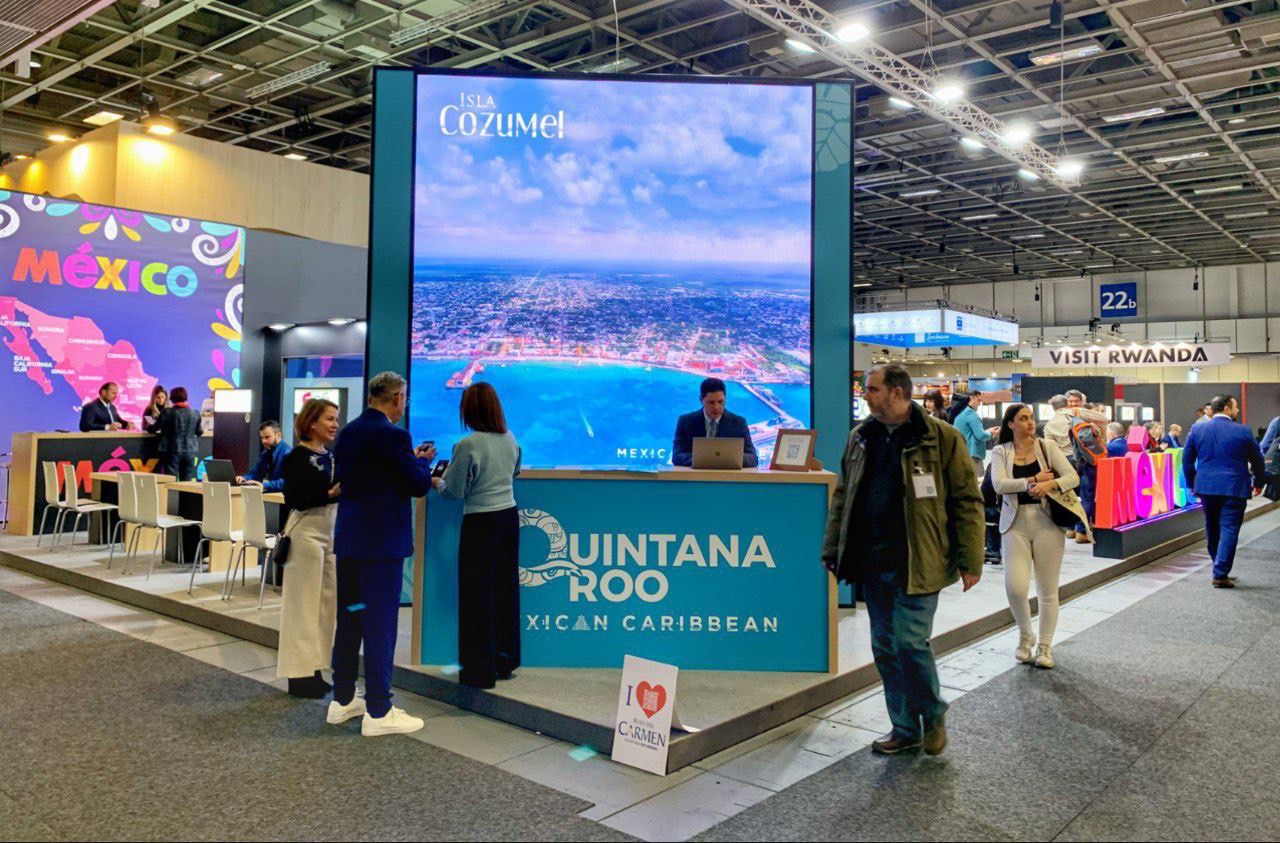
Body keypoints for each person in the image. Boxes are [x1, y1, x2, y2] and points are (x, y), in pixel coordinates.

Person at [822, 365, 984, 757]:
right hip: (873, 562)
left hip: (921, 560)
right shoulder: (860, 439)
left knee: (910, 642)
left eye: (872, 389)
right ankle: (905, 727)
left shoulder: (941, 438)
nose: (865, 394)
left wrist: (971, 559)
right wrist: (832, 549)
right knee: (885, 647)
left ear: (897, 393)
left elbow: (967, 500)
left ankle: (932, 712)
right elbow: (842, 497)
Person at [328, 371, 435, 737]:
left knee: (351, 620)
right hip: (382, 546)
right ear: (396, 397)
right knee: (381, 625)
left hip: (351, 541)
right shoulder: (394, 436)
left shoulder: (347, 433)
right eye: (404, 398)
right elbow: (417, 485)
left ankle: (341, 700)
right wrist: (422, 461)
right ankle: (379, 709)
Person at [433, 383, 522, 689]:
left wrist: (436, 482)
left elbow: (454, 491)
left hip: (481, 523)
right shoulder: (511, 439)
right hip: (509, 518)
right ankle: (505, 661)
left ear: (469, 411)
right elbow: (515, 472)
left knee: (476, 598)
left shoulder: (466, 445)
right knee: (504, 590)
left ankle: (478, 671)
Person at [990, 404, 1087, 670]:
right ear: (1011, 424)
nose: (1030, 423)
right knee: (1015, 587)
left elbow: (1072, 477)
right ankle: (1025, 635)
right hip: (1014, 523)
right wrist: (1032, 480)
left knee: (1047, 589)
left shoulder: (1047, 447)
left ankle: (1045, 646)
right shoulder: (1001, 451)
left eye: (1031, 418)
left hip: (1047, 522)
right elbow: (999, 484)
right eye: (1023, 419)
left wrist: (1050, 484)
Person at [277, 399, 340, 699]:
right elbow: (296, 497)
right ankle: (298, 674)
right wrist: (330, 493)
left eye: (336, 419)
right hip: (305, 534)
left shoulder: (332, 456)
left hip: (329, 535)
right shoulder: (296, 457)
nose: (334, 424)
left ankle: (315, 667)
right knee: (302, 607)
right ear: (312, 422)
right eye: (329, 418)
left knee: (324, 606)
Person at [1182, 394, 1266, 589]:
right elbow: (1257, 460)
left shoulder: (1197, 429)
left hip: (1207, 487)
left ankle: (1218, 564)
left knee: (1212, 527)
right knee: (1229, 528)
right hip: (1234, 487)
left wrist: (1192, 483)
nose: (1238, 411)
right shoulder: (1243, 431)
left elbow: (1186, 460)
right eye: (1235, 407)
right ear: (1227, 409)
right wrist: (1260, 482)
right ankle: (1220, 573)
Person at [1043, 390, 1107, 544]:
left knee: (1070, 496)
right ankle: (1081, 531)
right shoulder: (1077, 413)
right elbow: (1104, 419)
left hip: (1063, 463)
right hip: (1084, 460)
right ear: (1066, 403)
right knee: (1087, 496)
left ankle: (1070, 528)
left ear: (1053, 407)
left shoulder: (1049, 425)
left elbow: (1049, 448)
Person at [672, 377, 758, 468]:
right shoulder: (685, 422)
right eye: (711, 402)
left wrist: (728, 458)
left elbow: (753, 459)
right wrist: (704, 459)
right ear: (701, 400)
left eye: (720, 402)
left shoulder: (739, 423)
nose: (716, 407)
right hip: (695, 480)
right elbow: (676, 457)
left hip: (726, 480)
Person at [157, 387, 201, 480]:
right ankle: (185, 495)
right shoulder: (195, 413)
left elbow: (155, 428)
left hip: (171, 450)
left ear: (171, 398)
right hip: (190, 451)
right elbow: (199, 432)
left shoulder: (167, 412)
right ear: (186, 397)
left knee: (170, 481)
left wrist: (147, 426)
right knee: (187, 483)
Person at [952, 391, 996, 481]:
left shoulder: (962, 414)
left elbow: (972, 433)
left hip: (963, 453)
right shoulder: (971, 415)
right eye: (979, 400)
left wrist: (987, 431)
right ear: (971, 399)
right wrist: (992, 433)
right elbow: (980, 436)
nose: (979, 404)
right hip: (972, 455)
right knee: (972, 483)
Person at [239, 421, 292, 492]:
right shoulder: (265, 453)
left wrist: (264, 485)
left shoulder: (289, 453)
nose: (264, 441)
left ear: (278, 435)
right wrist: (244, 478)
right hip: (268, 497)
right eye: (262, 438)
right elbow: (255, 473)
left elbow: (288, 481)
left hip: (281, 499)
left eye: (267, 437)